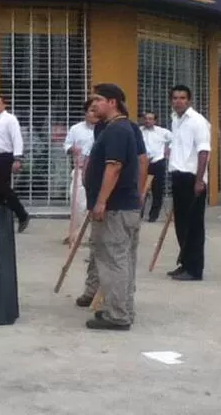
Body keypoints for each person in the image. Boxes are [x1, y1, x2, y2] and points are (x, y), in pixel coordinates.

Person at [80, 83, 141, 331]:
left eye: (98, 99)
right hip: (120, 207)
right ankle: (121, 309)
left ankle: (117, 315)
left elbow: (113, 167)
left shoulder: (117, 130)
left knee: (114, 260)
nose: (93, 104)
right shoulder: (116, 129)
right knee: (120, 260)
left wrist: (101, 201)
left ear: (113, 102)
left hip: (115, 209)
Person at [167, 84, 212, 282]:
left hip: (192, 178)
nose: (178, 101)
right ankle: (185, 263)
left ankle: (194, 269)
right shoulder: (175, 120)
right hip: (178, 176)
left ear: (189, 100)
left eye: (182, 98)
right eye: (175, 98)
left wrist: (200, 179)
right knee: (181, 224)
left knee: (193, 225)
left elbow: (204, 151)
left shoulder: (197, 121)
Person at [0, 95, 30, 232]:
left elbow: (17, 138)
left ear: (4, 105)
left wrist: (17, 158)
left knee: (3, 188)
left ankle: (22, 214)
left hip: (6, 156)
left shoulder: (10, 119)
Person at [64, 100, 98, 216]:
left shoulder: (106, 129)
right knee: (78, 202)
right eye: (92, 111)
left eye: (96, 111)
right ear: (86, 113)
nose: (94, 114)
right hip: (80, 169)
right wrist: (72, 149)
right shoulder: (76, 129)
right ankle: (77, 232)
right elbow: (67, 145)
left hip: (99, 171)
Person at [140, 111, 173, 222]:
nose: (148, 121)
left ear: (155, 120)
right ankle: (139, 213)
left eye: (150, 119)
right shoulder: (139, 131)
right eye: (146, 119)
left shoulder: (163, 132)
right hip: (143, 163)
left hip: (157, 162)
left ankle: (153, 215)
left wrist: (168, 149)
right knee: (141, 188)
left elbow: (175, 139)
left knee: (157, 190)